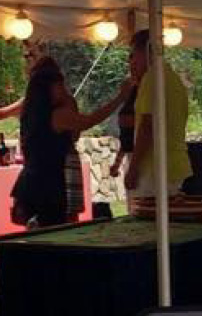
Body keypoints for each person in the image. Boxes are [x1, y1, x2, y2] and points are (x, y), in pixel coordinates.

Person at [11, 57, 132, 228]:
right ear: (49, 88)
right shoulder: (58, 116)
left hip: (30, 182)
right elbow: (88, 121)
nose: (64, 90)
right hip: (49, 185)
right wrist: (120, 98)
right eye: (60, 86)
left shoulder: (30, 113)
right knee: (54, 232)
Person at [125, 29, 191, 197]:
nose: (131, 62)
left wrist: (133, 168)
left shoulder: (152, 78)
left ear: (145, 52)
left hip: (155, 167)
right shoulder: (174, 80)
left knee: (147, 220)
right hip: (174, 165)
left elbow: (148, 126)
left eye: (133, 55)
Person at [110, 51, 140, 183]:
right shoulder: (131, 91)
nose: (132, 70)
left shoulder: (144, 91)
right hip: (132, 155)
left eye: (135, 65)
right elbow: (126, 139)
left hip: (144, 157)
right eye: (130, 66)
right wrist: (117, 163)